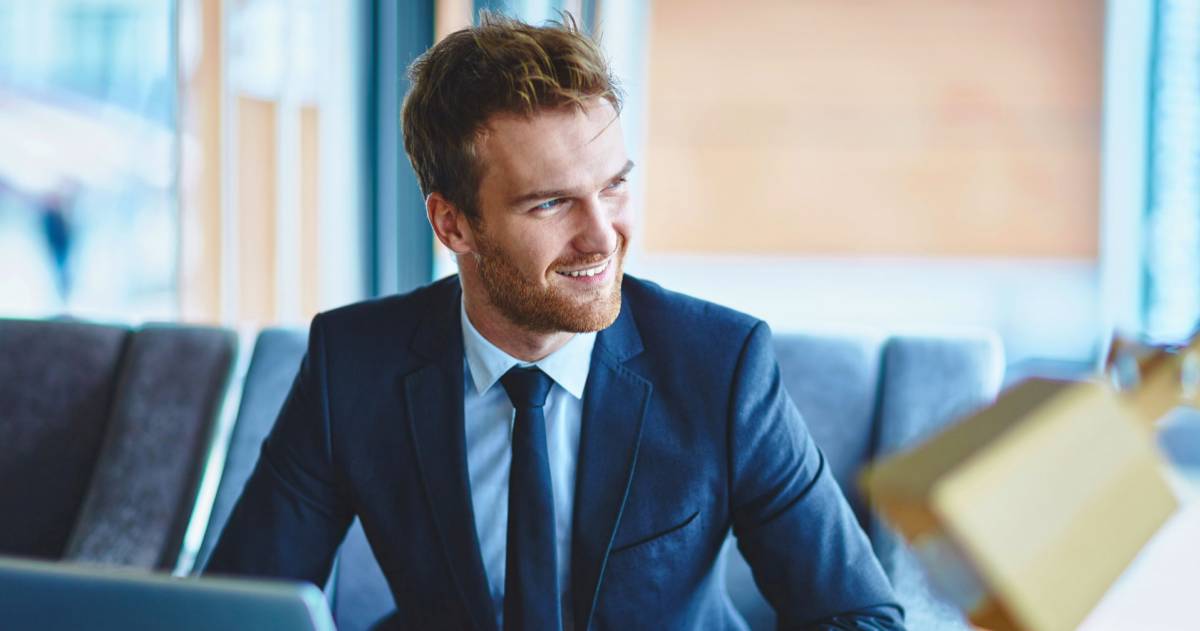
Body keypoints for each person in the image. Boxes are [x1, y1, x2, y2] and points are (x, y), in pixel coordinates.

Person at [206, 13, 905, 631]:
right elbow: (239, 609)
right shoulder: (353, 364)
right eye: (550, 204)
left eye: (614, 186)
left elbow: (860, 614)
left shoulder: (721, 365)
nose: (603, 236)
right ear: (453, 223)